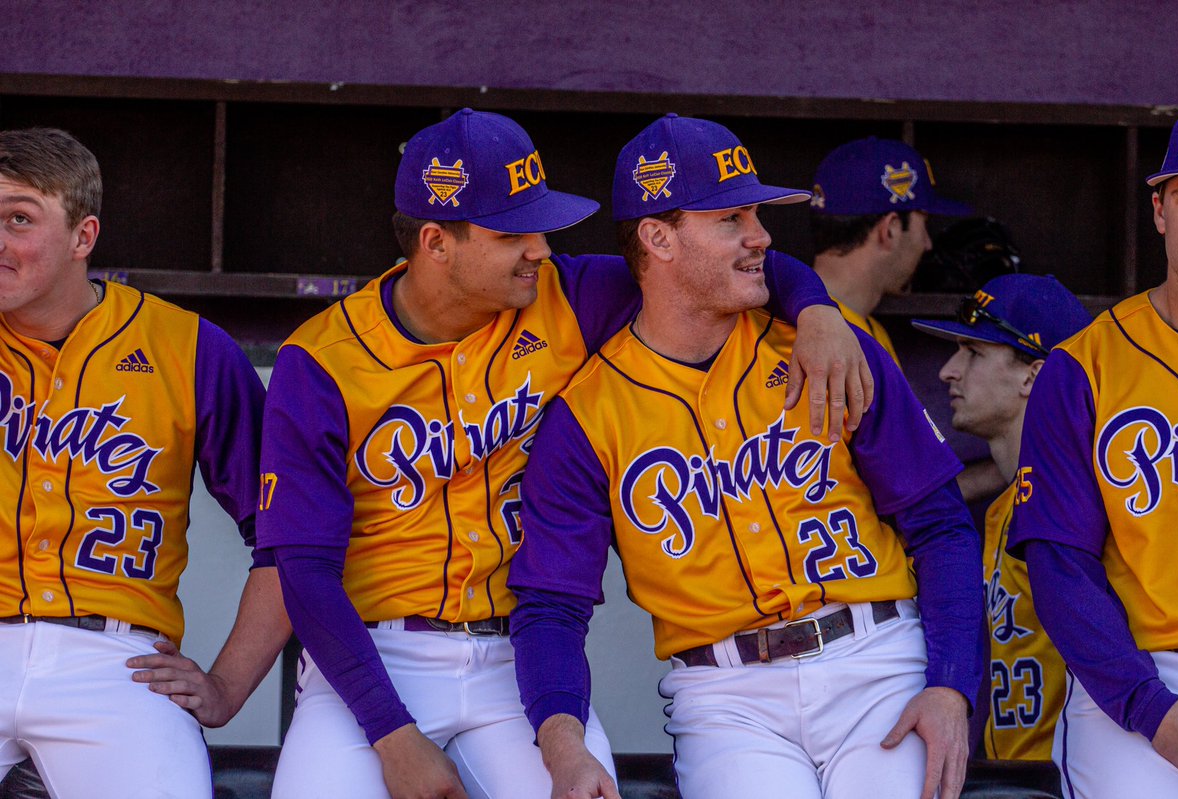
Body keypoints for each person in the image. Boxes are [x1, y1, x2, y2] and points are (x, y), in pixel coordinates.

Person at [256, 108, 874, 799]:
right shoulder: (319, 362)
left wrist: (817, 309)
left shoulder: (570, 297)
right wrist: (393, 735)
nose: (540, 248)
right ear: (435, 242)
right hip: (374, 659)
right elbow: (303, 573)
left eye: (541, 224)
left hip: (511, 659)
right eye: (512, 231)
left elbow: (709, 268)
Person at [509, 114, 984, 799]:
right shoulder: (585, 415)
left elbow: (939, 523)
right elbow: (551, 605)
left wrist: (949, 686)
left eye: (756, 214)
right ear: (657, 237)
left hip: (876, 661)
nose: (761, 235)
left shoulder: (825, 344)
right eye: (731, 218)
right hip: (725, 698)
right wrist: (563, 744)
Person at [0, 127, 285, 797]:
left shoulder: (186, 347)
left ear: (83, 236)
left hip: (114, 658)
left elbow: (288, 535)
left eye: (19, 218)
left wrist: (226, 685)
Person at [1008, 108, 1178, 796]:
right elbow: (1061, 563)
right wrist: (1153, 709)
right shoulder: (1084, 365)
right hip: (1140, 676)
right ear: (1158, 210)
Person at [911, 274, 1092, 760]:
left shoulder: (1088, 507)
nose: (949, 370)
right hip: (1014, 774)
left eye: (973, 352)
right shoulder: (999, 510)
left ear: (1033, 376)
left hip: (1078, 778)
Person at [809, 136, 971, 365]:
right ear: (891, 229)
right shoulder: (815, 336)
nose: (927, 243)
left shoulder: (870, 332)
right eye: (923, 225)